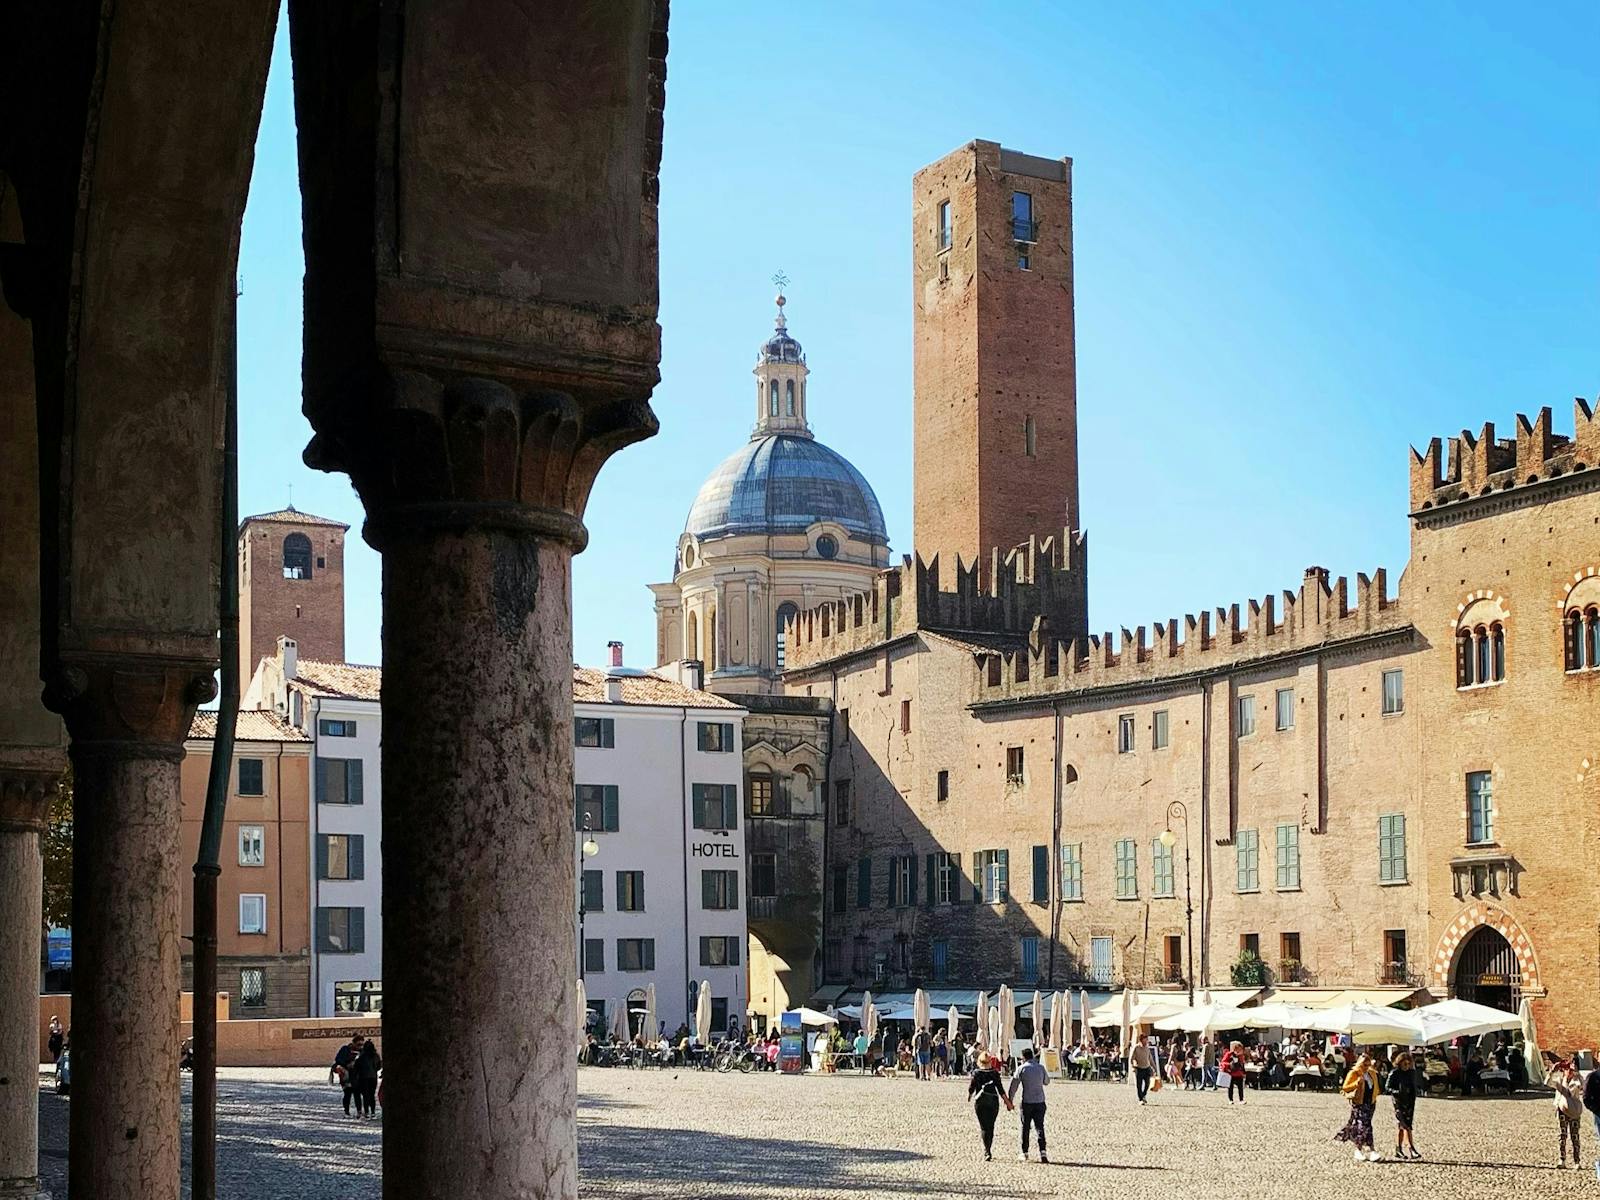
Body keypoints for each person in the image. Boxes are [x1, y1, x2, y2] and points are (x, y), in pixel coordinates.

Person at [1335, 1049, 1382, 1162]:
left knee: (1362, 1125)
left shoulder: (1371, 1073)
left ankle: (1361, 1149)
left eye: (1368, 1065)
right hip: (1359, 1103)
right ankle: (1369, 1150)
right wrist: (1357, 1083)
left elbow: (1375, 1086)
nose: (1366, 1067)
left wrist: (1376, 1096)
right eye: (1364, 1065)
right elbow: (1345, 1087)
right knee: (1365, 1126)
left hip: (1370, 1103)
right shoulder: (1354, 1073)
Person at [967, 1052, 1012, 1162]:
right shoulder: (995, 1073)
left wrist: (969, 1096)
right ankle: (989, 1148)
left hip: (980, 1101)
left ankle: (987, 1150)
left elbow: (971, 1088)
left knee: (983, 1127)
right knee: (990, 1127)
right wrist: (1008, 1103)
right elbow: (1000, 1090)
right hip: (993, 1102)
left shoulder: (976, 1073)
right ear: (990, 1062)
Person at [1008, 1047, 1050, 1163]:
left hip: (1027, 1102)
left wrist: (1010, 1100)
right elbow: (1046, 1082)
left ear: (1023, 1058)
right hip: (1040, 1101)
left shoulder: (1021, 1069)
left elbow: (1013, 1086)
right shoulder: (1041, 1068)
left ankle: (1025, 1152)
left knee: (1025, 1127)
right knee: (1040, 1127)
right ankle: (1043, 1152)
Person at [1387, 1050, 1421, 1160]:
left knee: (1403, 1126)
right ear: (1399, 1063)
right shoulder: (1395, 1073)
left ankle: (1398, 1149)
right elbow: (1387, 1087)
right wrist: (1397, 1092)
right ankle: (1411, 1148)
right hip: (1399, 1102)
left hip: (1410, 1102)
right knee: (1405, 1125)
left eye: (1408, 1064)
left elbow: (1414, 1086)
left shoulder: (1412, 1073)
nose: (1406, 1066)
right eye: (1404, 1064)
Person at [1552, 1055, 1584, 1168]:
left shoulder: (1576, 1081)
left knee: (1575, 1136)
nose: (1568, 1071)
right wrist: (1552, 1070)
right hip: (1562, 1110)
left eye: (1570, 1069)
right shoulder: (1560, 1080)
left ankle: (1577, 1161)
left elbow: (1582, 1086)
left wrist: (1577, 1074)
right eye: (1566, 1069)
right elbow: (1547, 1082)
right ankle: (1562, 1160)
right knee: (1562, 1135)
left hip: (1574, 1111)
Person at [330, 1034, 364, 1116]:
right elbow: (338, 1060)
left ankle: (359, 1111)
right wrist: (347, 1064)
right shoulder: (345, 1049)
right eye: (359, 1044)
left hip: (357, 1077)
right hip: (346, 1076)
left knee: (357, 1094)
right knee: (347, 1094)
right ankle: (346, 1111)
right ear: (353, 1043)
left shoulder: (362, 1052)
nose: (360, 1046)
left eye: (362, 1045)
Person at [351, 1037, 382, 1118]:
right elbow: (379, 1066)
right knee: (372, 1095)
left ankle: (366, 1112)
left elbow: (356, 1067)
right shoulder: (376, 1056)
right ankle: (373, 1112)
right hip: (373, 1077)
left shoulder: (361, 1057)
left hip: (363, 1078)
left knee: (365, 1095)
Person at [1219, 1040, 1249, 1105]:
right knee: (1230, 1087)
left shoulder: (1241, 1056)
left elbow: (1242, 1064)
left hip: (1239, 1074)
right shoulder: (1229, 1054)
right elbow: (1223, 1062)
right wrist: (1229, 1065)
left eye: (1240, 1049)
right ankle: (1230, 1099)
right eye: (1238, 1048)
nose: (1239, 1050)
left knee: (1240, 1088)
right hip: (1231, 1074)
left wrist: (1244, 1072)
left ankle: (1241, 1099)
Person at [1130, 1036, 1156, 1104]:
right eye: (1145, 1040)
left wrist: (1154, 1068)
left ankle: (1144, 1095)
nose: (1146, 1041)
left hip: (1147, 1068)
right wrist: (1133, 1066)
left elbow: (1150, 1059)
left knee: (1147, 1084)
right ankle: (1140, 1099)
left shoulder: (1147, 1048)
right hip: (1139, 1068)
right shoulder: (1136, 1048)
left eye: (1147, 1040)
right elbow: (1132, 1058)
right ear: (1141, 1040)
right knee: (1139, 1085)